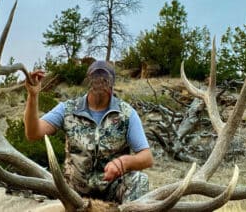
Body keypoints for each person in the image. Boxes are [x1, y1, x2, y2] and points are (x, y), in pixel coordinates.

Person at [24, 60, 154, 204]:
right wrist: (33, 95)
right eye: (95, 78)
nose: (99, 83)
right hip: (75, 193)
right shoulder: (67, 109)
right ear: (88, 82)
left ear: (112, 83)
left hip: (112, 191)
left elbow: (147, 157)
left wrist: (123, 163)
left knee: (140, 180)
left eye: (104, 79)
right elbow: (33, 133)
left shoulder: (127, 114)